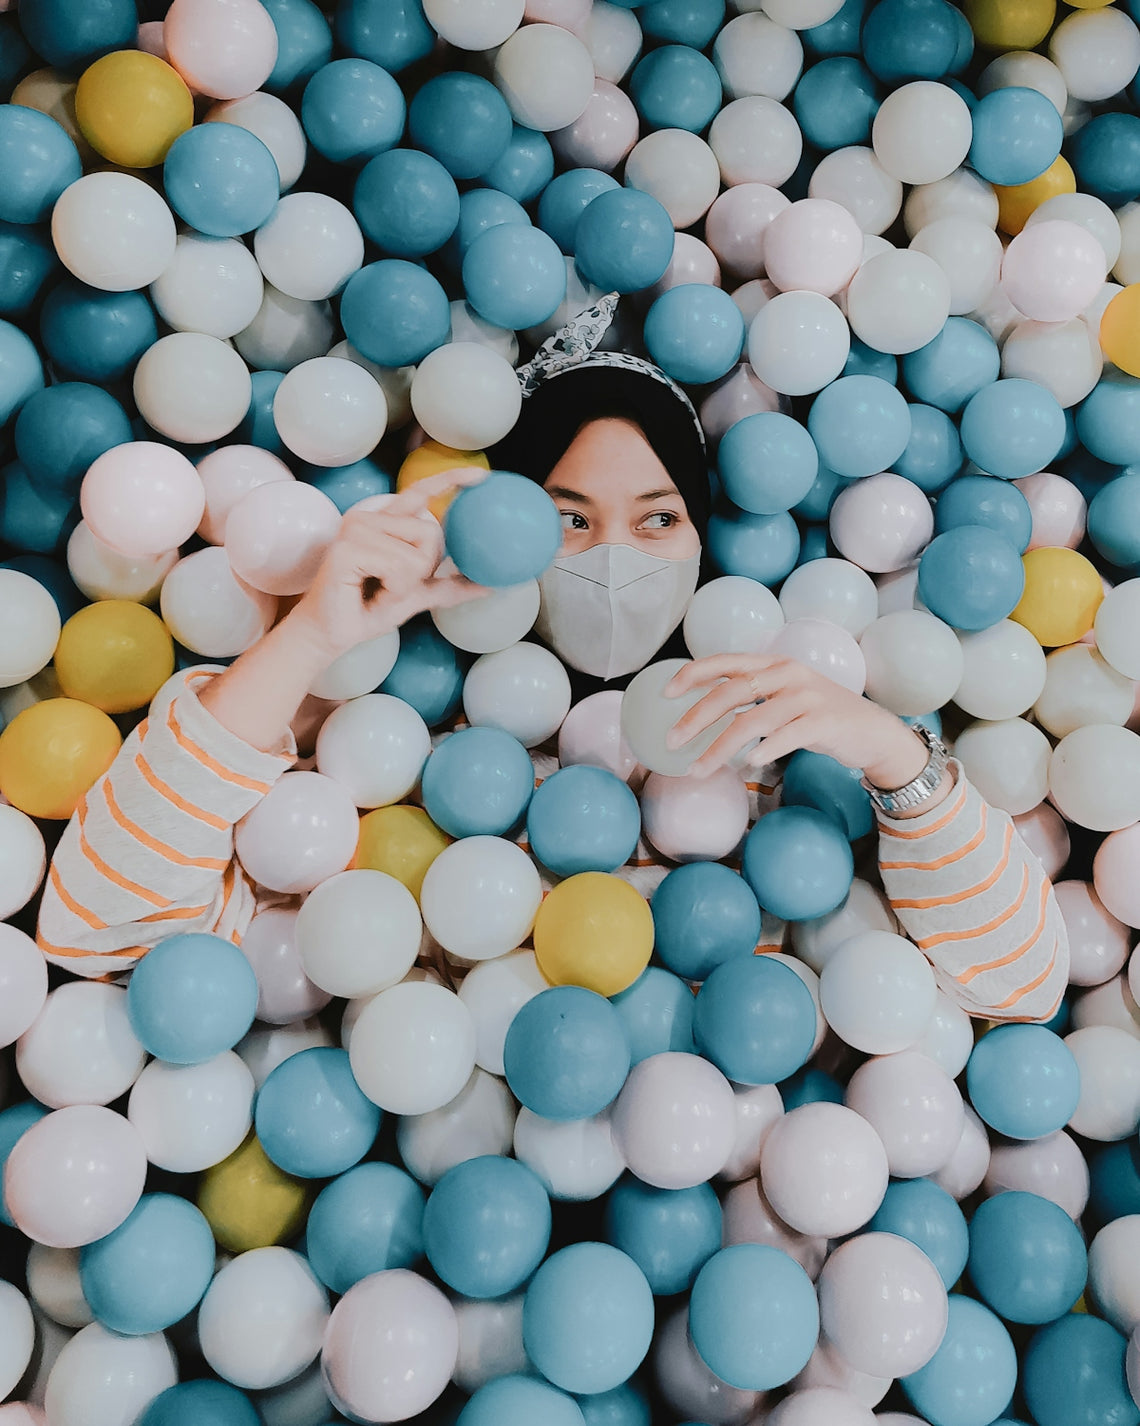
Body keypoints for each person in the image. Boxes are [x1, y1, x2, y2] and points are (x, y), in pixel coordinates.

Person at [37, 300, 1069, 1023]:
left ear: (705, 544)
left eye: (657, 517)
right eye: (569, 518)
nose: (614, 555)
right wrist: (306, 637)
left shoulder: (783, 766)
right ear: (507, 535)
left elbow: (1021, 984)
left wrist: (893, 755)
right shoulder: (384, 759)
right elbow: (99, 930)